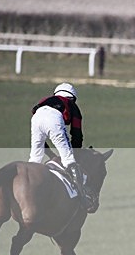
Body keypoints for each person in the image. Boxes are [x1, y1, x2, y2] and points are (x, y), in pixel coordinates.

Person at [28, 82, 95, 212]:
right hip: (54, 118)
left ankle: (30, 188)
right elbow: (76, 133)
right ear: (72, 98)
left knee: (35, 158)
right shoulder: (72, 105)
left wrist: (46, 150)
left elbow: (36, 115)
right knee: (68, 159)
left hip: (36, 118)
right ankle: (82, 198)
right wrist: (75, 153)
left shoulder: (45, 100)